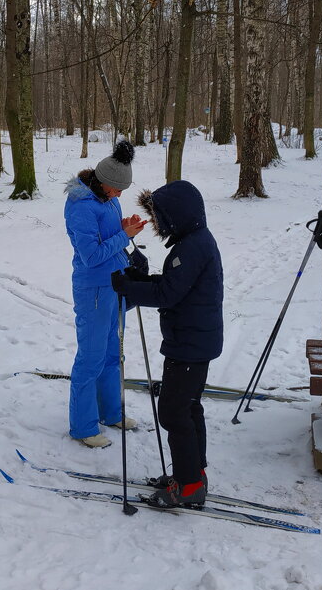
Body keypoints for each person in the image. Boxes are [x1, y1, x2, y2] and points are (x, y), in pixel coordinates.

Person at [110, 180, 222, 508]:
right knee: (188, 408)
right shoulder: (196, 241)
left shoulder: (191, 248)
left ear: (179, 215)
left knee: (174, 413)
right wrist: (139, 281)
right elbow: (174, 285)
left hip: (189, 343)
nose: (157, 224)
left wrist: (129, 288)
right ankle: (193, 475)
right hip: (194, 340)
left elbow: (168, 294)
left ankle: (188, 487)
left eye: (160, 217)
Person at [64, 139, 147, 448]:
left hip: (116, 282)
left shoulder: (108, 198)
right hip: (94, 288)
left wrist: (124, 228)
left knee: (114, 353)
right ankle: (83, 427)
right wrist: (123, 236)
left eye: (122, 192)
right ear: (101, 183)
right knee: (91, 358)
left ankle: (111, 411)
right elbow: (90, 254)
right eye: (116, 190)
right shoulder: (81, 206)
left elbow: (109, 236)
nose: (120, 196)